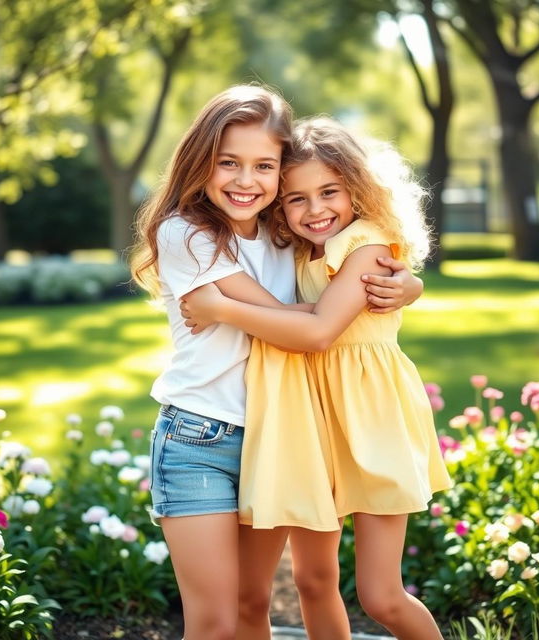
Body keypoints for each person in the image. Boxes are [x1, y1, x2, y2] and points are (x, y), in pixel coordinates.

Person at [130, 86, 423, 640]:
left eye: (264, 166)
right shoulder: (186, 233)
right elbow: (297, 320)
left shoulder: (285, 230)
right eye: (229, 164)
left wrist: (404, 285)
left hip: (281, 435)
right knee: (217, 623)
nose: (247, 181)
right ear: (201, 163)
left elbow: (338, 276)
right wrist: (342, 308)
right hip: (200, 438)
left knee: (255, 600)